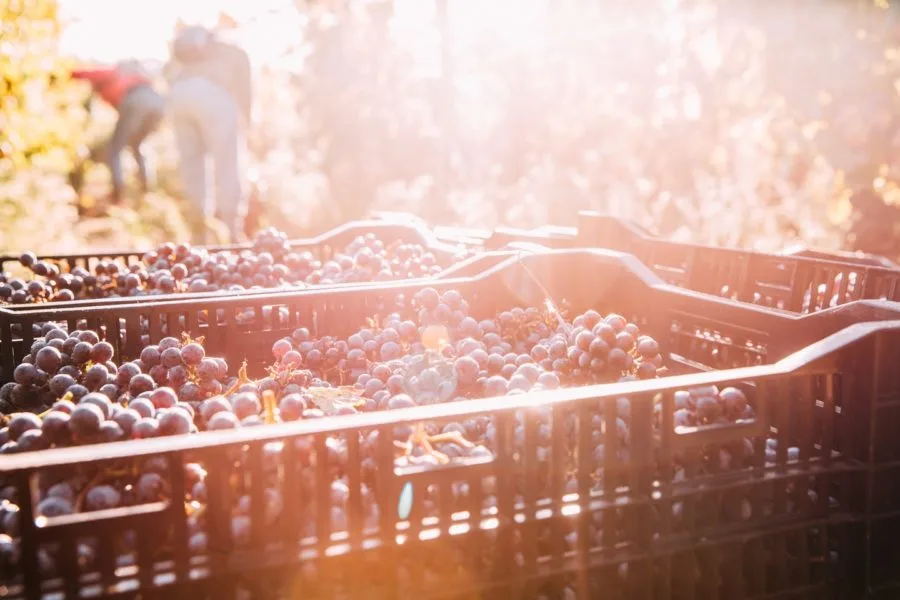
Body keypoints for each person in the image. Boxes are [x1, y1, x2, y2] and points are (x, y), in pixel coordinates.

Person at [167, 25, 252, 243]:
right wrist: (248, 121)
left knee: (192, 165)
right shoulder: (236, 52)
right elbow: (245, 91)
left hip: (179, 94)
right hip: (213, 95)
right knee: (227, 162)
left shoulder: (189, 49)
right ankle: (232, 231)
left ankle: (199, 233)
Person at [69, 61, 166, 204]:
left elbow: (80, 73)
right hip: (157, 101)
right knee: (137, 144)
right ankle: (146, 188)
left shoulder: (109, 73)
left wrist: (60, 73)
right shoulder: (132, 76)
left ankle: (118, 193)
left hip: (136, 100)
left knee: (114, 149)